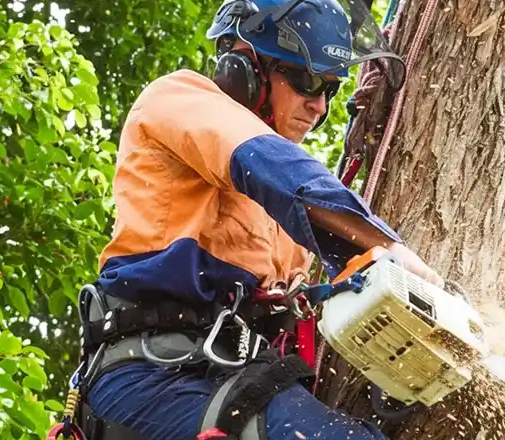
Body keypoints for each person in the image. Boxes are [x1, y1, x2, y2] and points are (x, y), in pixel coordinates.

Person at [70, 0, 443, 439]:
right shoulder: (179, 99)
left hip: (231, 379)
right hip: (153, 376)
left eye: (330, 89)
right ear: (244, 67)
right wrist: (385, 246)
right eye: (306, 81)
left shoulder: (283, 224)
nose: (318, 107)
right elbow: (269, 164)